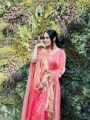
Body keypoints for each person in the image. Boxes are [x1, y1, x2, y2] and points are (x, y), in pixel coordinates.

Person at [21, 29, 66, 120]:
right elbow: (33, 60)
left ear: (53, 39)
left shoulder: (61, 53)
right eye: (44, 38)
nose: (44, 40)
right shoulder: (42, 50)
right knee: (37, 110)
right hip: (39, 85)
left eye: (47, 38)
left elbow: (61, 70)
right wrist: (36, 47)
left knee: (47, 110)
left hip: (51, 85)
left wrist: (49, 76)